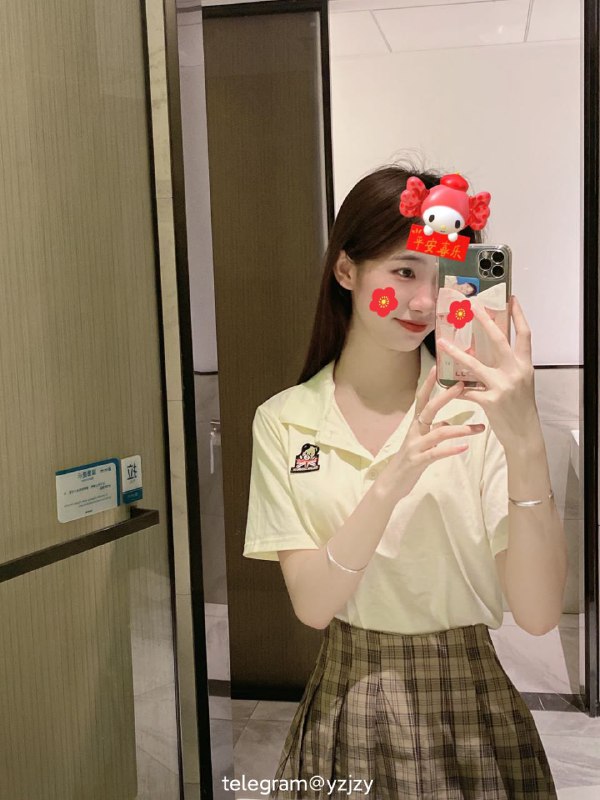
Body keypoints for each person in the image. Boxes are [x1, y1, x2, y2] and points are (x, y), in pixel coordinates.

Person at [242, 164, 561, 799]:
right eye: (405, 271)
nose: (424, 302)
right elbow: (312, 606)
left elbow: (538, 613)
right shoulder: (284, 421)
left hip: (471, 713)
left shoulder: (479, 414)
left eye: (444, 279)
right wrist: (393, 478)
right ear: (346, 270)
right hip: (345, 707)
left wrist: (525, 441)